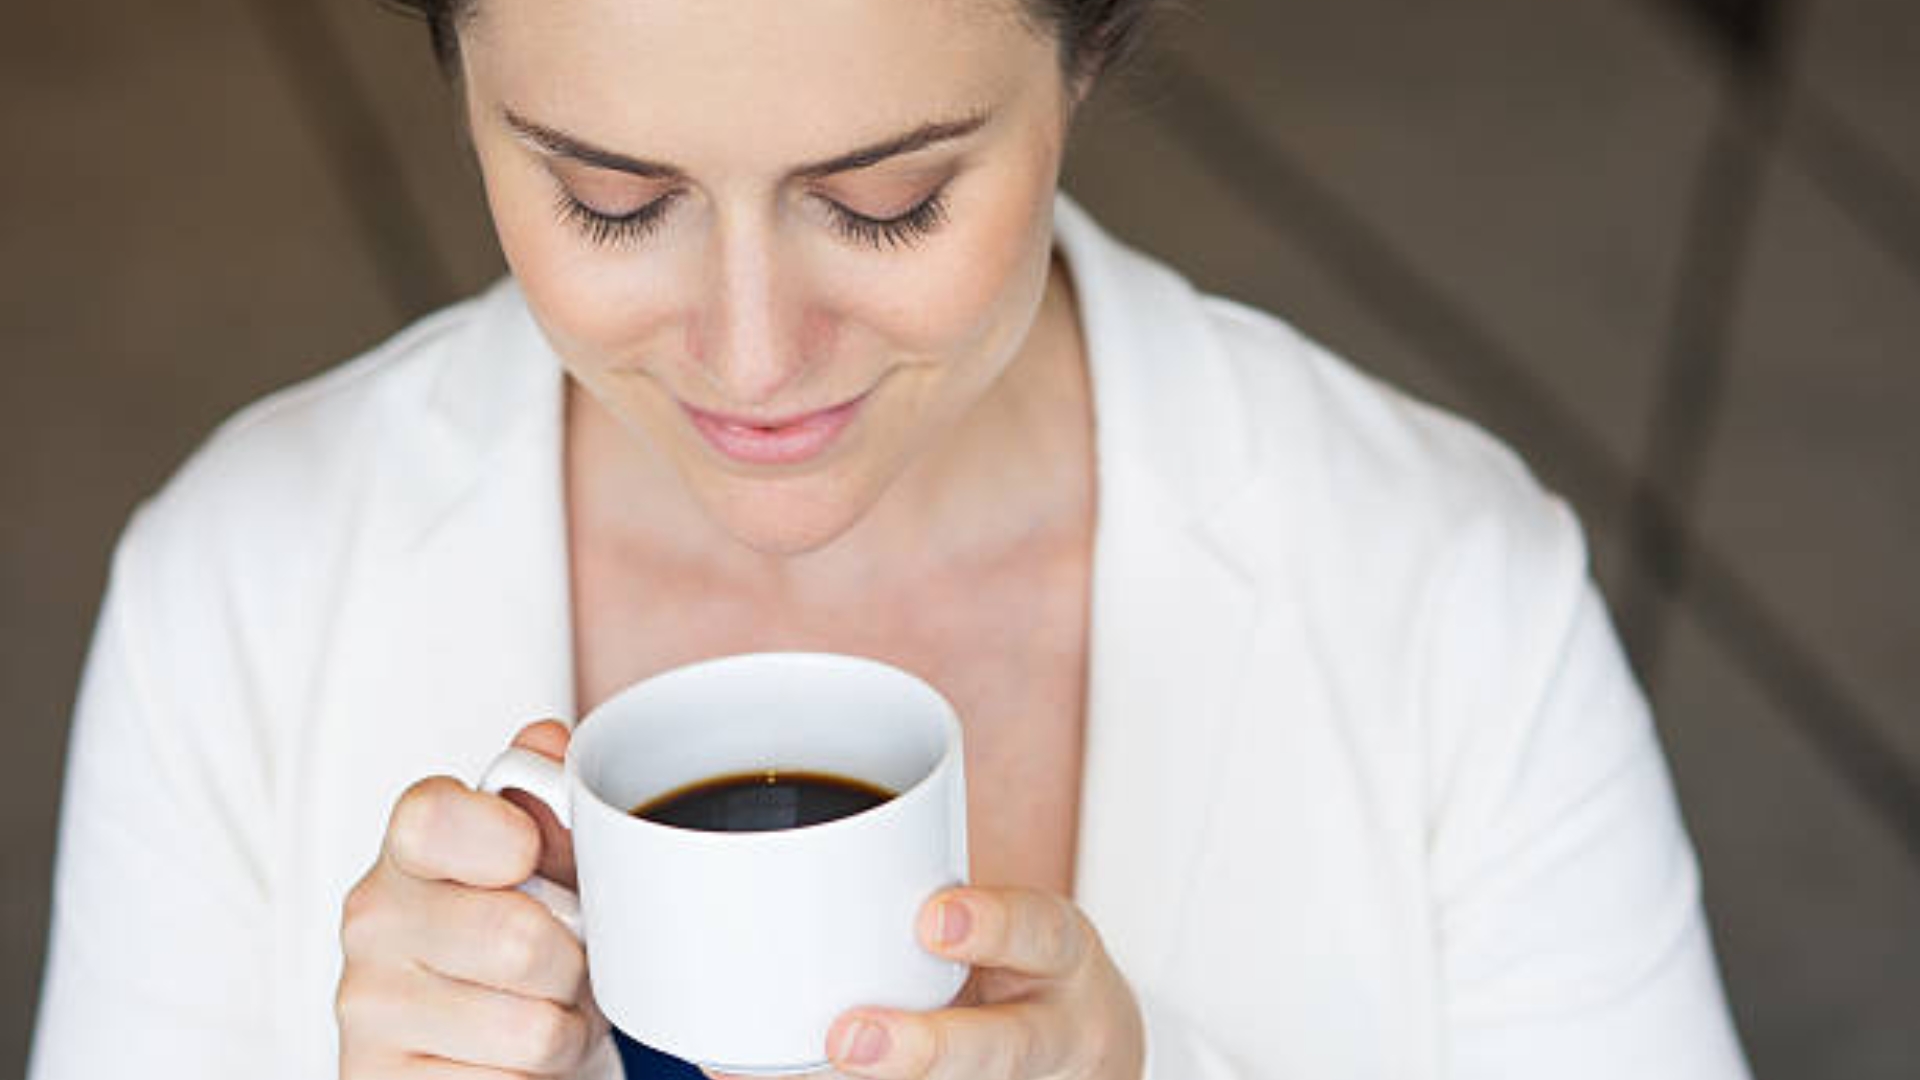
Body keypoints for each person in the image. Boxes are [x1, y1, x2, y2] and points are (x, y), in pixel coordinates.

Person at [28, 0, 1756, 1077]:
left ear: (1083, 53)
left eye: (886, 202)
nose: (753, 357)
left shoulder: (1452, 597)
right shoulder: (241, 590)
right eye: (611, 202)